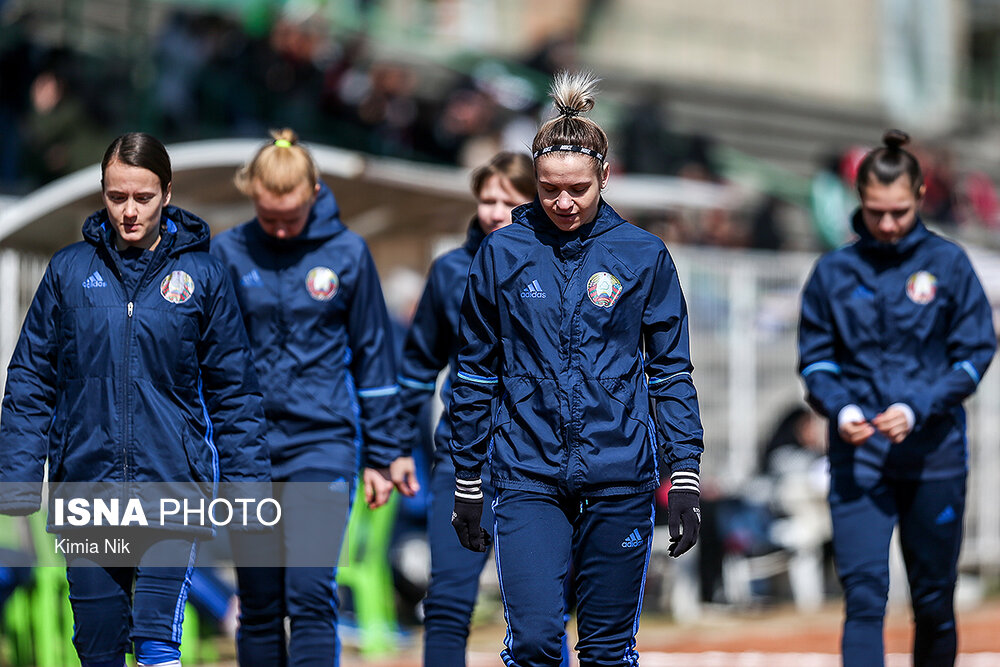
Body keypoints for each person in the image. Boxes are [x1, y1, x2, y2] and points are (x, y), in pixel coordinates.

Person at [446, 71, 705, 666]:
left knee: (608, 651)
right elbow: (476, 373)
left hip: (620, 476)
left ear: (605, 178)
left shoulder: (643, 255)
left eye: (578, 189)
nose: (563, 203)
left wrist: (684, 477)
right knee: (536, 640)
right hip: (527, 474)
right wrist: (467, 482)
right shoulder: (502, 254)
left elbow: (670, 373)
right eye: (548, 189)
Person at [0, 132, 271, 667]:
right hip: (86, 489)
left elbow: (235, 393)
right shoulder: (68, 272)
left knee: (155, 639)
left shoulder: (204, 276)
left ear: (167, 194)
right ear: (103, 193)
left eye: (142, 197)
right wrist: (18, 480)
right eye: (116, 196)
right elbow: (31, 380)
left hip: (173, 486)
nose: (129, 211)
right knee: (98, 646)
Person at [798, 129, 996, 666]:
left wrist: (917, 407)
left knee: (933, 600)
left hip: (935, 458)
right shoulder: (833, 272)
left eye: (900, 212)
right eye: (876, 211)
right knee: (863, 598)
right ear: (859, 201)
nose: (887, 224)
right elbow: (815, 361)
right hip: (859, 458)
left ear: (921, 195)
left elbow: (976, 351)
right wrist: (841, 410)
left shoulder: (950, 265)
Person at [211, 128, 402, 667]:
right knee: (260, 601)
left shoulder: (348, 254)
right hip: (246, 450)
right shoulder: (226, 252)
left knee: (311, 592)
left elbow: (374, 357)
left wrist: (383, 454)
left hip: (323, 443)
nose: (278, 228)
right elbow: (204, 360)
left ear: (315, 193)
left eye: (289, 218)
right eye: (267, 216)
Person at [394, 151, 541, 666]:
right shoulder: (451, 271)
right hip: (464, 461)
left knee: (537, 614)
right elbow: (416, 368)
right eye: (487, 199)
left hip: (541, 463)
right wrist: (394, 449)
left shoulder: (562, 268)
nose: (496, 211)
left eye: (510, 200)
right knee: (449, 601)